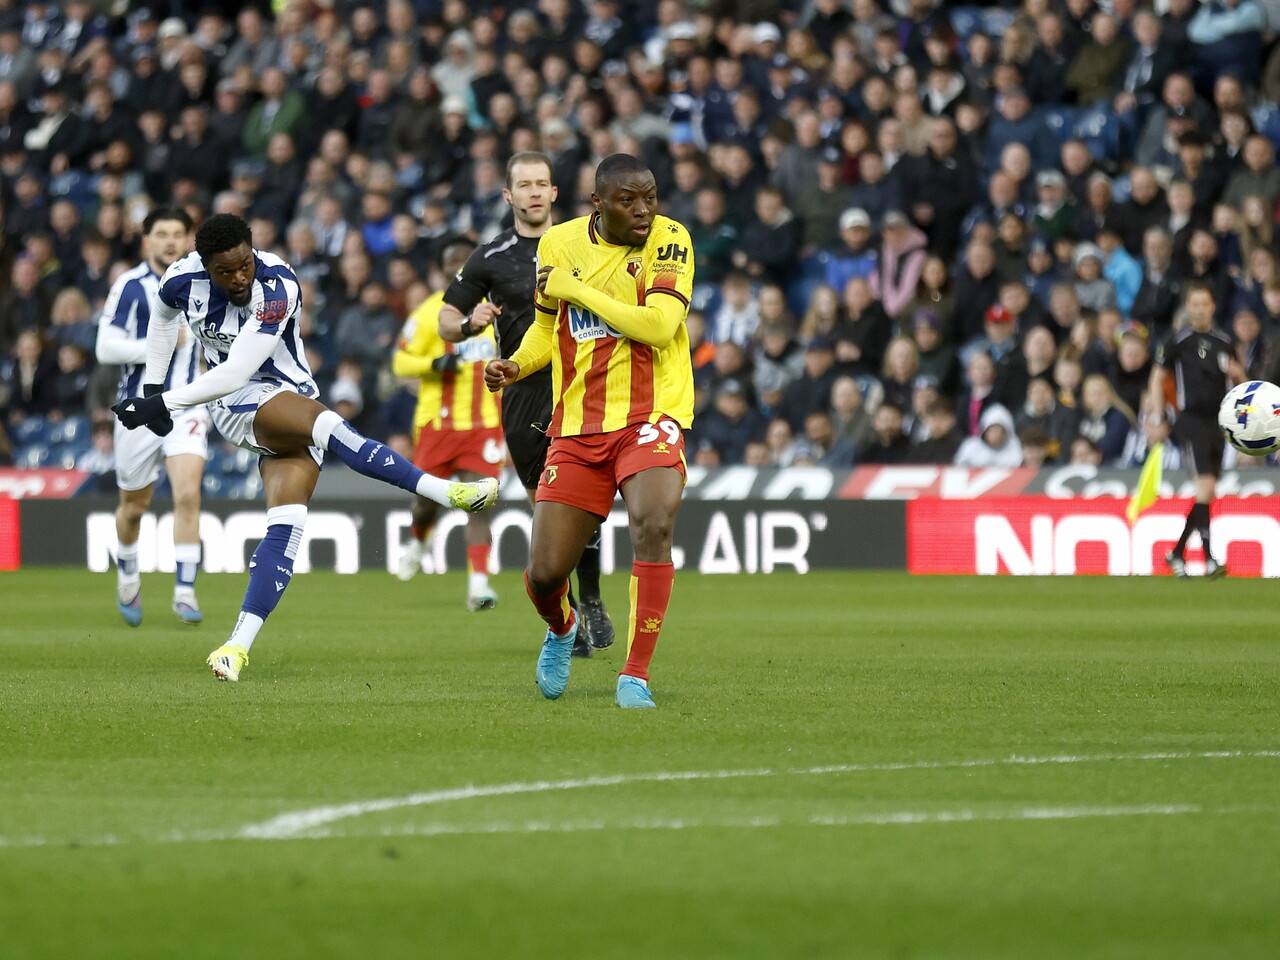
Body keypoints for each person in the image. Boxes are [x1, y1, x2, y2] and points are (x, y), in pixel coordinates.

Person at [112, 214, 499, 682]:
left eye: (243, 266)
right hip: (234, 405)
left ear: (252, 252)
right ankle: (444, 493)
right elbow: (163, 323)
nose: (238, 278)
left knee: (286, 527)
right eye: (224, 271)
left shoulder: (278, 284)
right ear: (204, 264)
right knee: (331, 426)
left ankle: (235, 647)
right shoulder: (180, 279)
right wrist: (154, 384)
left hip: (284, 393)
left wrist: (159, 401)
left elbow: (238, 368)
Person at [484, 154, 695, 709]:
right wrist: (518, 365)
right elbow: (546, 329)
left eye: (650, 196)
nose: (645, 210)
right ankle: (562, 626)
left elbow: (660, 325)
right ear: (598, 204)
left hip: (651, 417)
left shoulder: (670, 241)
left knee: (652, 522)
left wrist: (578, 290)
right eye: (629, 200)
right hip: (578, 425)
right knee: (544, 573)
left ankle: (635, 674)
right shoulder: (559, 245)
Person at [438, 151, 613, 656]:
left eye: (543, 183)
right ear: (508, 195)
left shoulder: (587, 244)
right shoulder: (491, 257)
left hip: (583, 387)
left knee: (586, 506)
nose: (535, 192)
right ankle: (571, 616)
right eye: (525, 184)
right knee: (549, 506)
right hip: (523, 396)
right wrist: (469, 324)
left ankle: (592, 601)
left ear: (555, 192)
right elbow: (445, 320)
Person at [94, 208, 208, 627]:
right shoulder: (129, 286)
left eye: (178, 233)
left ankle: (185, 592)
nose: (170, 241)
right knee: (133, 507)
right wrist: (159, 344)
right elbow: (105, 348)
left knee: (187, 493)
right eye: (161, 233)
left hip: (188, 405)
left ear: (188, 239)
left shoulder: (203, 282)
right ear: (147, 240)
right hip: (138, 410)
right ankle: (127, 569)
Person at [391, 238, 503, 611]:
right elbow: (400, 362)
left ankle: (478, 585)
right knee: (425, 505)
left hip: (484, 425)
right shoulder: (427, 313)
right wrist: (432, 365)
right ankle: (420, 542)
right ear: (440, 271)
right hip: (436, 425)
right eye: (451, 262)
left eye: (465, 260)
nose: (458, 267)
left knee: (478, 501)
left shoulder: (497, 309)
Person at [1146, 284, 1242, 579]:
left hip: (1219, 422)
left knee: (1208, 490)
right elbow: (1157, 378)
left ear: (1213, 306)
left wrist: (1240, 376)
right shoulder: (1178, 341)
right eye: (1195, 304)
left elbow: (1241, 384)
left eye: (1205, 303)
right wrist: (1159, 416)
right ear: (1188, 307)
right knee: (1206, 486)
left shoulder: (1225, 341)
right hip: (1190, 421)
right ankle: (1210, 558)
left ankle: (1176, 553)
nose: (1200, 309)